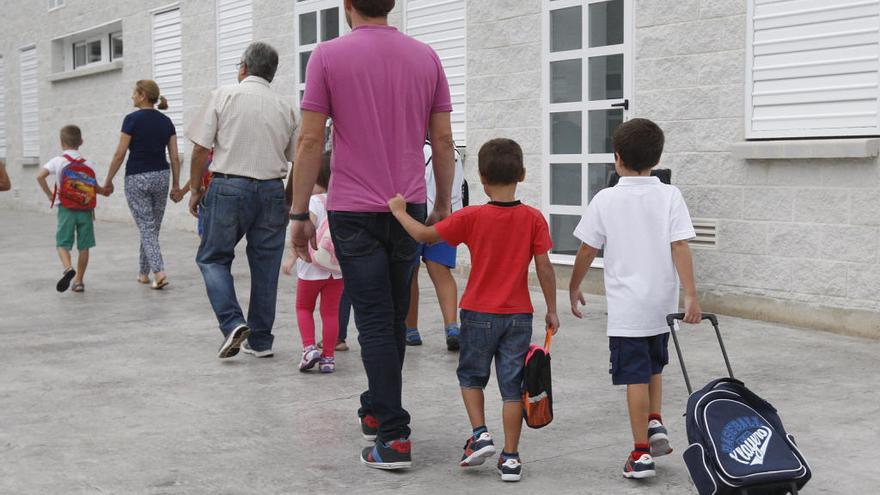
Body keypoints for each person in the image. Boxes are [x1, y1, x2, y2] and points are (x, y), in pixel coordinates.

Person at [289, 0, 455, 471]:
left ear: (347, 5)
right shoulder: (426, 56)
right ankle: (375, 406)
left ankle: (394, 435)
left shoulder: (327, 55)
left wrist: (299, 211)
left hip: (353, 209)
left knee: (376, 319)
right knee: (393, 311)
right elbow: (442, 140)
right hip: (411, 207)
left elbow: (308, 140)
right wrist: (441, 205)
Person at [388, 138, 559, 483]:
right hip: (519, 316)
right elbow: (545, 268)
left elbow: (424, 234)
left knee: (470, 377)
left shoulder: (472, 216)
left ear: (480, 177)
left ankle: (480, 434)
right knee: (513, 389)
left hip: (478, 313)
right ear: (523, 174)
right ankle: (511, 458)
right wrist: (552, 309)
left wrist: (398, 211)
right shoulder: (534, 219)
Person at [568, 118, 702, 480]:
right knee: (655, 367)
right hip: (663, 304)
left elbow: (587, 247)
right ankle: (655, 421)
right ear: (656, 160)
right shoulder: (669, 194)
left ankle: (641, 453)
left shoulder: (606, 199)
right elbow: (680, 245)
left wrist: (574, 285)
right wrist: (690, 294)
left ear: (617, 158)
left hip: (628, 310)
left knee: (635, 378)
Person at [187, 42, 297, 360]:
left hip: (228, 187)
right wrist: (288, 198)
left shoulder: (223, 95)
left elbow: (198, 148)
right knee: (266, 266)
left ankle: (233, 322)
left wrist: (195, 189)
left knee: (212, 258)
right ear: (272, 73)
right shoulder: (286, 107)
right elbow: (298, 159)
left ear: (243, 67)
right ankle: (261, 341)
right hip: (272, 189)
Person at [103, 80, 181, 290]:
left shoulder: (131, 120)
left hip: (137, 177)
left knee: (147, 227)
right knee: (151, 227)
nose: (132, 97)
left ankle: (159, 271)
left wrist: (108, 180)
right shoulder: (166, 122)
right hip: (161, 176)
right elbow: (174, 157)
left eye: (134, 93)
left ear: (143, 95)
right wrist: (175, 184)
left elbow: (120, 154)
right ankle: (143, 273)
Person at [283, 152, 343, 373]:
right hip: (336, 269)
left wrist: (291, 256)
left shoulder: (314, 202)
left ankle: (309, 348)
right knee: (331, 312)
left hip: (310, 265)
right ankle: (328, 357)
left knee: (303, 307)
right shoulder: (343, 201)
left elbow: (304, 232)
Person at [404, 141, 465, 350]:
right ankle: (452, 327)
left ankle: (411, 330)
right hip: (449, 217)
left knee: (410, 273)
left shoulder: (415, 149)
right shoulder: (453, 150)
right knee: (441, 272)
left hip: (416, 217)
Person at [35, 125, 106, 293]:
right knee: (84, 246)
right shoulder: (88, 163)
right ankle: (79, 281)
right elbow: (94, 187)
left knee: (62, 243)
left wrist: (49, 195)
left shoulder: (58, 161)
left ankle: (68, 268)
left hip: (66, 209)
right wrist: (104, 192)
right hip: (86, 210)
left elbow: (39, 176)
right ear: (81, 142)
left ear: (61, 143)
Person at [172, 151, 213, 237]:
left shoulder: (206, 152)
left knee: (207, 239)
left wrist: (195, 194)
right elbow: (196, 176)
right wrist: (182, 192)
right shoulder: (209, 152)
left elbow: (197, 175)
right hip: (206, 200)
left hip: (210, 200)